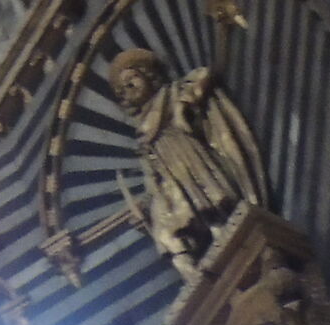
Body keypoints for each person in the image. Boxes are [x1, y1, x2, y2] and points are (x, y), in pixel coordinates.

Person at [108, 47, 266, 276]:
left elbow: (205, 79)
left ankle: (227, 235)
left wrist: (223, 38)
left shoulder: (173, 93)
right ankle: (199, 265)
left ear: (148, 75)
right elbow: (151, 172)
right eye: (124, 88)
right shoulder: (143, 133)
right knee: (175, 221)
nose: (129, 87)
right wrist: (149, 203)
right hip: (171, 177)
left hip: (192, 159)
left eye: (132, 78)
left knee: (211, 202)